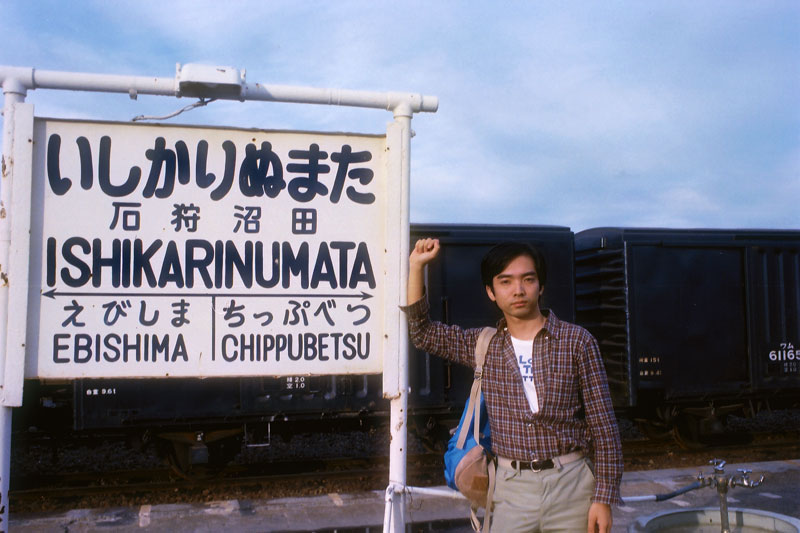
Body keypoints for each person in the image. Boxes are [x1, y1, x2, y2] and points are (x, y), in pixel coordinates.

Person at [403, 238, 623, 533]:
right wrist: (416, 265)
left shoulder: (577, 342)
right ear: (491, 292)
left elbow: (604, 427)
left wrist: (604, 497)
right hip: (510, 489)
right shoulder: (484, 344)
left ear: (541, 286)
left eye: (527, 279)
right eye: (505, 282)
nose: (518, 290)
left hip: (573, 487)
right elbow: (422, 333)